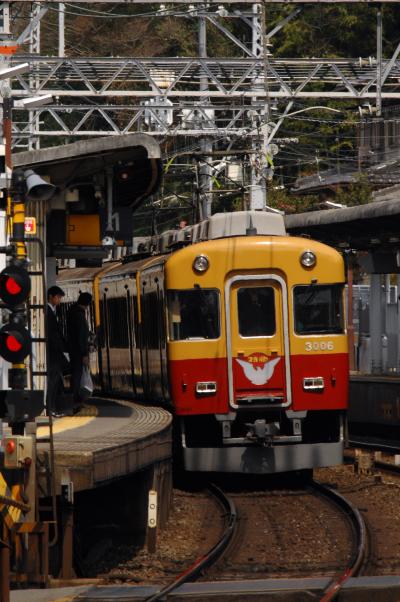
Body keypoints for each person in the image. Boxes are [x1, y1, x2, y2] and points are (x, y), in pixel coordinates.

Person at [66, 292, 93, 413]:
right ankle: (75, 403)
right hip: (78, 352)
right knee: (77, 376)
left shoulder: (72, 312)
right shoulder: (79, 315)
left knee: (76, 377)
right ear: (87, 304)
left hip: (74, 351)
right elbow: (81, 337)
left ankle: (76, 401)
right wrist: (84, 354)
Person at [46, 285, 67, 416]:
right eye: (58, 297)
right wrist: (62, 349)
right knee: (52, 382)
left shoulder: (52, 311)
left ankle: (53, 407)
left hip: (55, 353)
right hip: (53, 354)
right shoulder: (48, 312)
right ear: (51, 297)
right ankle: (51, 408)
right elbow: (53, 334)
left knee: (55, 381)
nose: (59, 300)